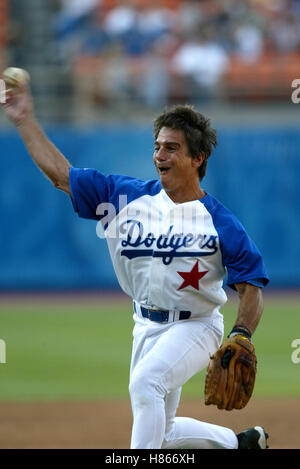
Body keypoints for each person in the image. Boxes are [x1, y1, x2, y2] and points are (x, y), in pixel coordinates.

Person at [2, 78, 270, 449]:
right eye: (158, 146)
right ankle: (240, 444)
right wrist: (24, 119)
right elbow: (61, 175)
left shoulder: (219, 222)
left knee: (146, 384)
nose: (160, 155)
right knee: (164, 429)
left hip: (196, 327)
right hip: (143, 325)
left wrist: (241, 333)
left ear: (197, 158)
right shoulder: (124, 197)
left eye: (172, 148)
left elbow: (250, 286)